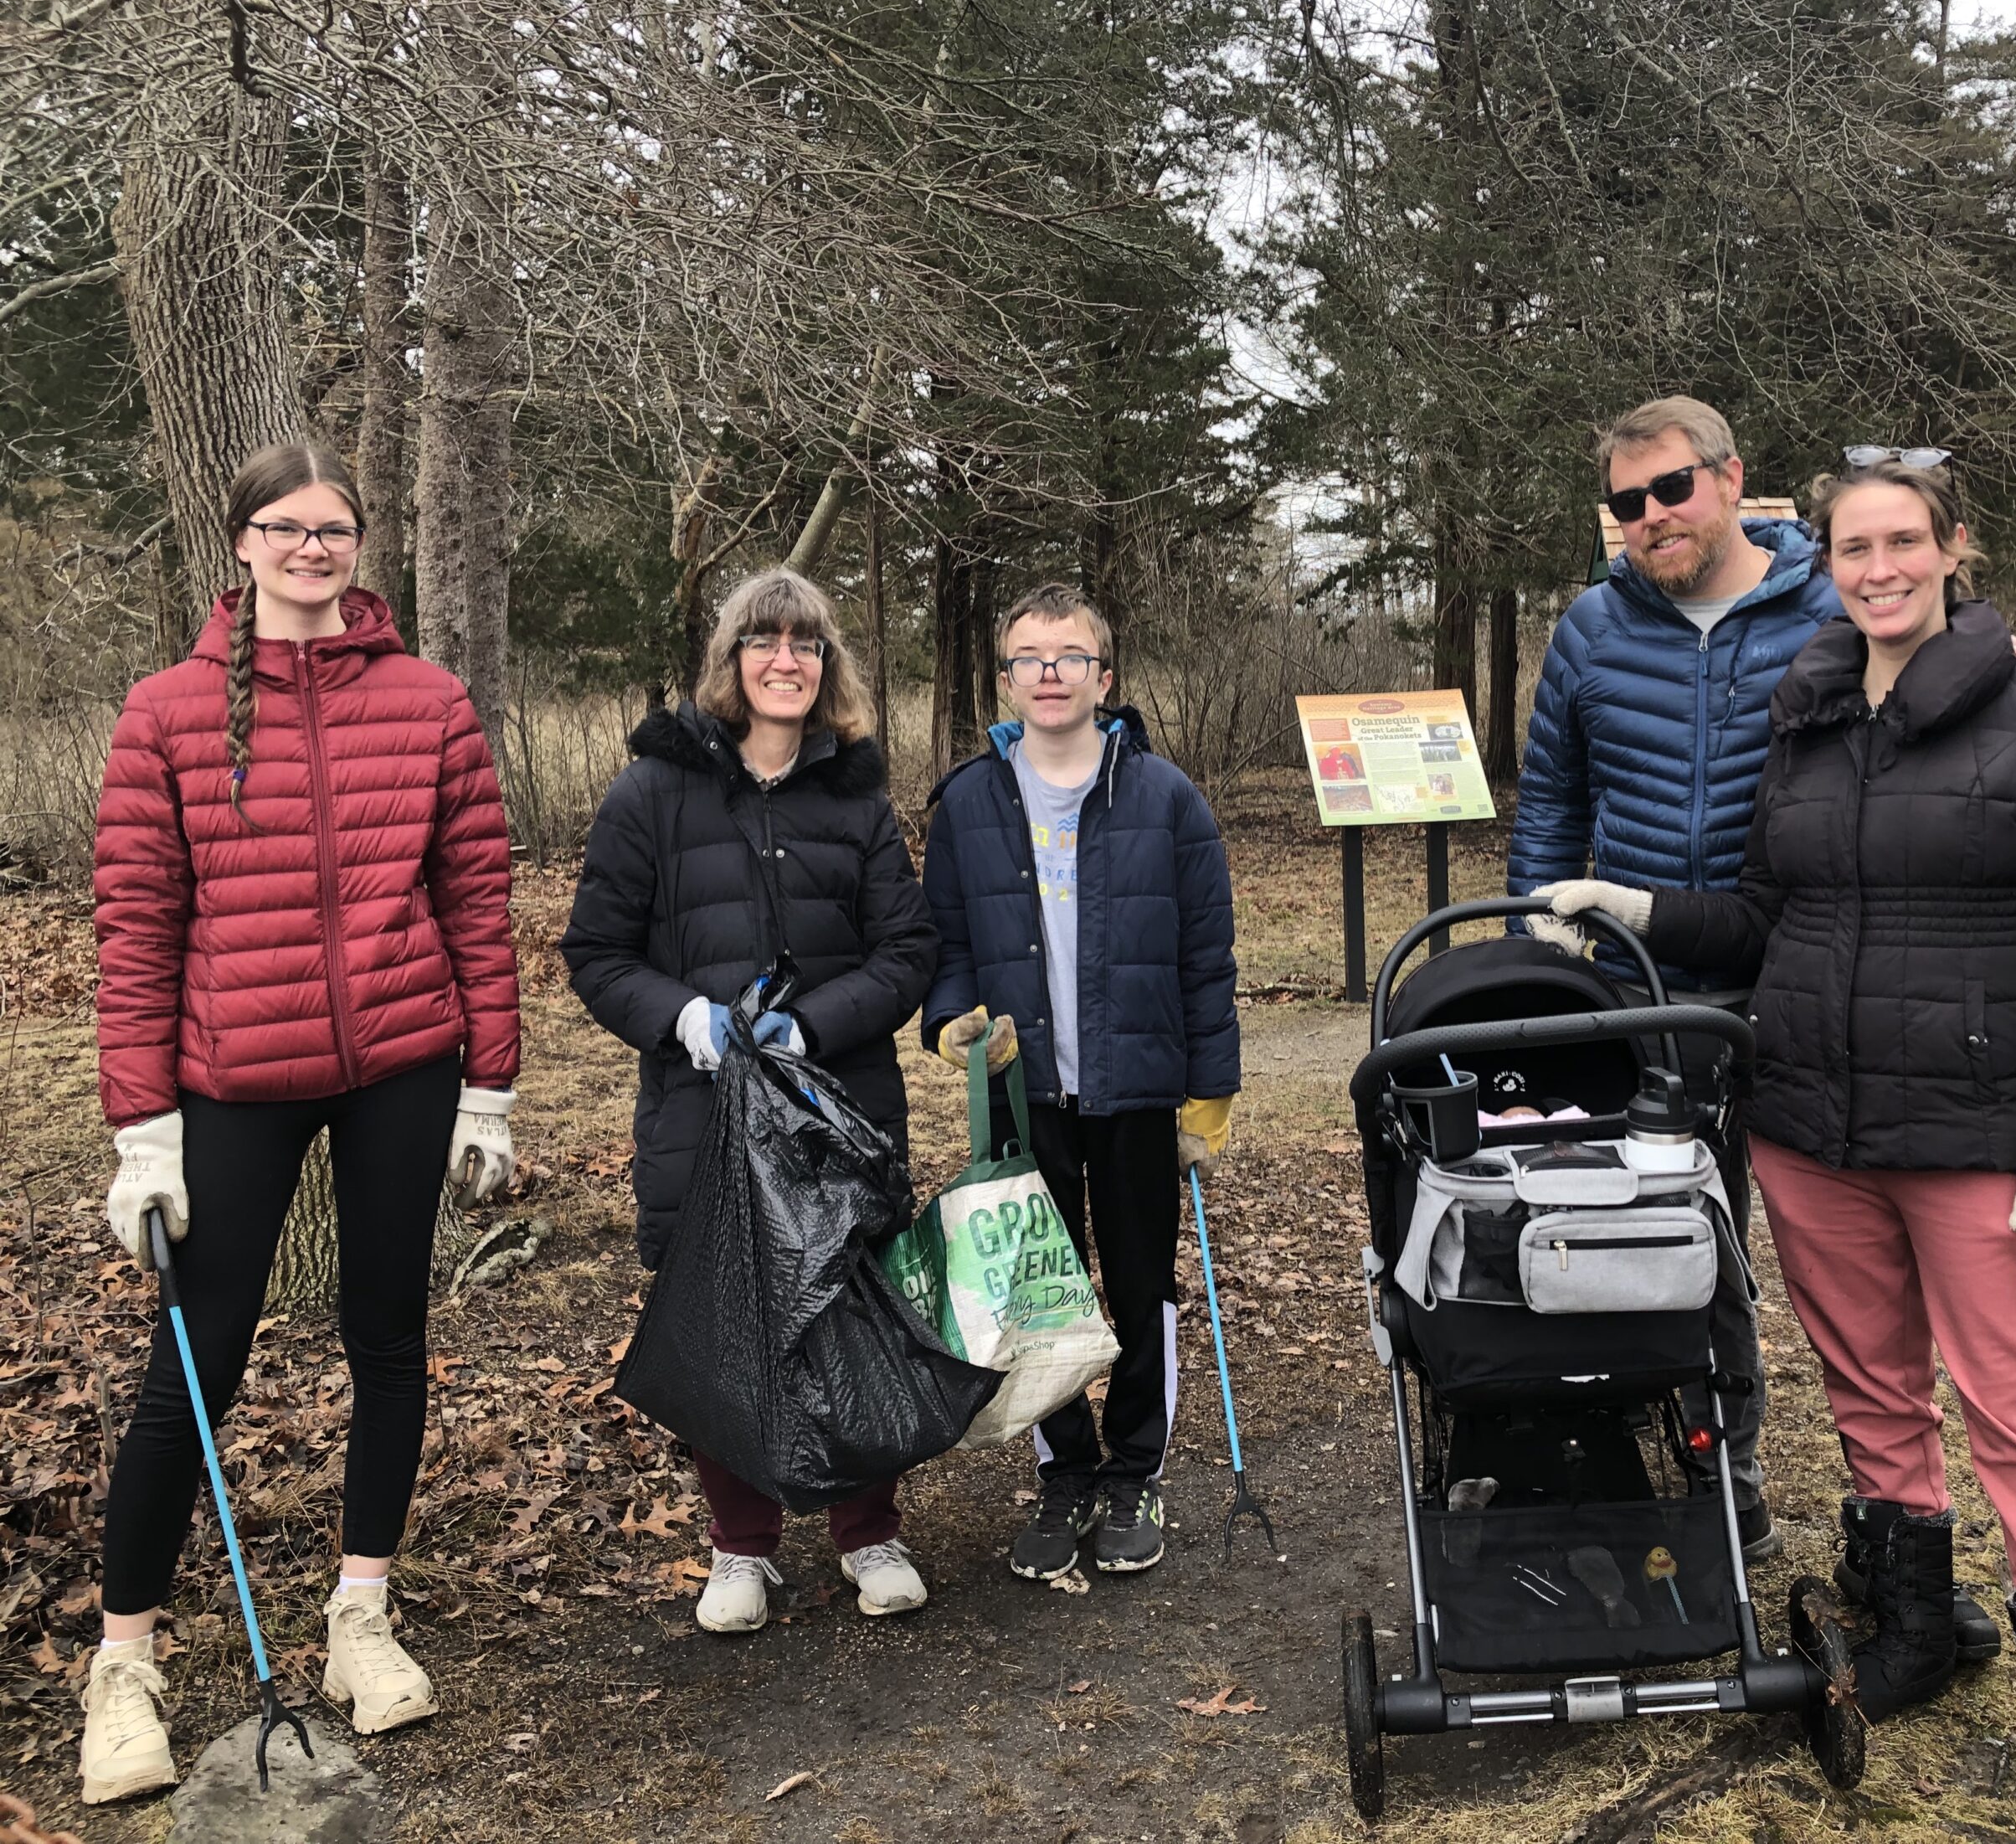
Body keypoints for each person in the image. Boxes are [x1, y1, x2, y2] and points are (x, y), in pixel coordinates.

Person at [1540, 456, 2016, 1844]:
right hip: (1813, 1121)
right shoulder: (1809, 712)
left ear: (1951, 547)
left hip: (1976, 1129)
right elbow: (1771, 914)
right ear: (1826, 562)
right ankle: (1915, 1631)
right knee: (1873, 1393)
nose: (1878, 569)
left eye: (1901, 543)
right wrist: (1635, 905)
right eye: (1853, 548)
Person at [85, 443, 522, 1804]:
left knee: (389, 1337)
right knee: (194, 1364)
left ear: (358, 544)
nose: (311, 548)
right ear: (243, 542)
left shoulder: (429, 701)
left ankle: (360, 1614)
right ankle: (123, 1662)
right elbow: (135, 932)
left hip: (401, 1063)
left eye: (333, 528)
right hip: (232, 1077)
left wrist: (490, 1086)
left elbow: (477, 900)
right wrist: (143, 1131)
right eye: (285, 527)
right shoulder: (164, 712)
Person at [561, 569, 939, 1634]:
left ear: (828, 665)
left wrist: (810, 1027)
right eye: (765, 641)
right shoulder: (651, 793)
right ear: (731, 660)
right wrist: (686, 1018)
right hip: (704, 1113)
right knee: (724, 1323)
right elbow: (597, 952)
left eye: (806, 643)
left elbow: (908, 950)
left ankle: (869, 1531)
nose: (786, 660)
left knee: (854, 1309)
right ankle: (741, 1546)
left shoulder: (856, 799)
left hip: (840, 1106)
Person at [1508, 394, 1841, 1568]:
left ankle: (1890, 1510)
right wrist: (1539, 942)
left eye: (1671, 488)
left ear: (1730, 478)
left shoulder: (1831, 613)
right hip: (1641, 990)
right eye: (1626, 501)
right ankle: (1714, 1467)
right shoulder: (1593, 630)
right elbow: (1553, 800)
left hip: (1801, 982)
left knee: (1837, 1254)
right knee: (1677, 1235)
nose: (1651, 515)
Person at [920, 584, 1239, 1581]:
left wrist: (1209, 1097)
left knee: (1140, 1286)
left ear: (1105, 676)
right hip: (1025, 1098)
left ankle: (1135, 1469)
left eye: (1070, 656)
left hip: (1138, 1088)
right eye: (1029, 657)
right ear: (1006, 679)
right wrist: (950, 1022)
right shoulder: (967, 803)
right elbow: (945, 945)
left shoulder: (1167, 799)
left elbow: (1206, 962)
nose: (1049, 673)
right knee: (1040, 1293)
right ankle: (1065, 1471)